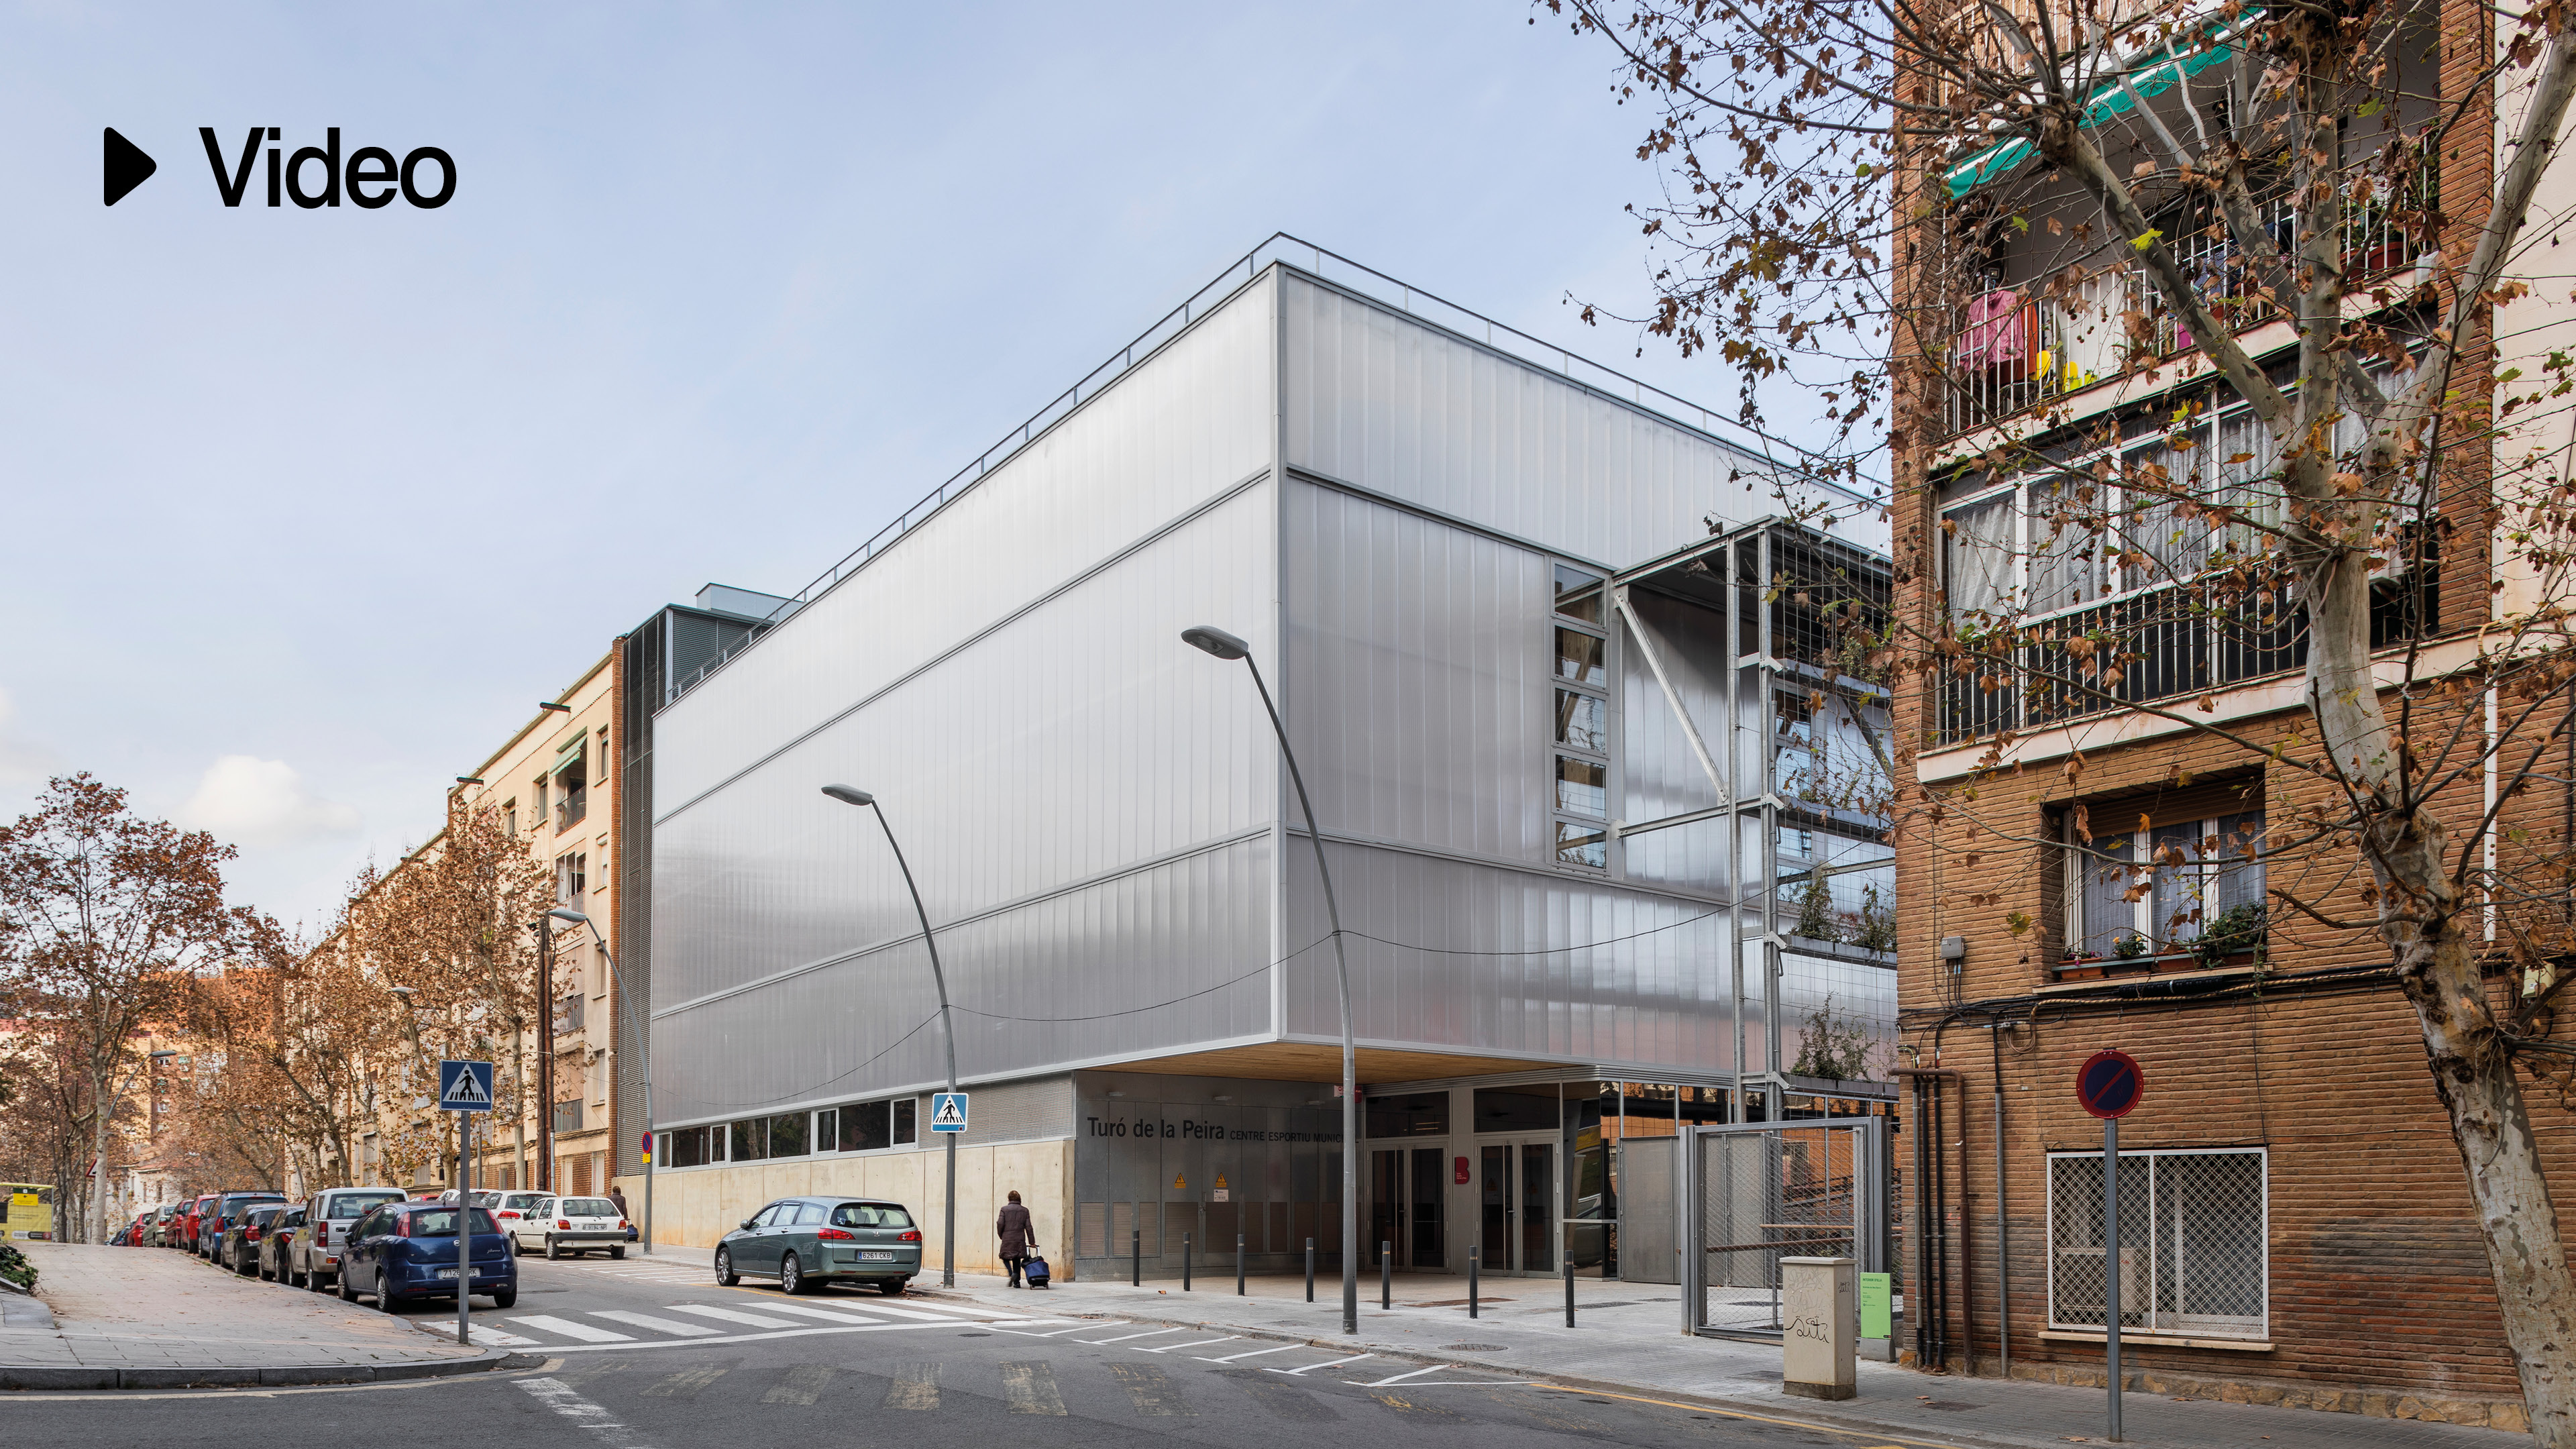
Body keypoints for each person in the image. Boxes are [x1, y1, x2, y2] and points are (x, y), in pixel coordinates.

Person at [996, 1190, 1036, 1288]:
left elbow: (1000, 1223)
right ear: (1020, 1199)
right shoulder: (1025, 1210)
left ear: (1009, 1199)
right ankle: (1017, 1283)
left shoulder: (1004, 1210)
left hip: (1007, 1238)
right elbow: (1029, 1227)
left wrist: (1001, 1235)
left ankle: (1011, 1273)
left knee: (1004, 1257)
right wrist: (1032, 1242)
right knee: (1017, 1260)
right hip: (1019, 1239)